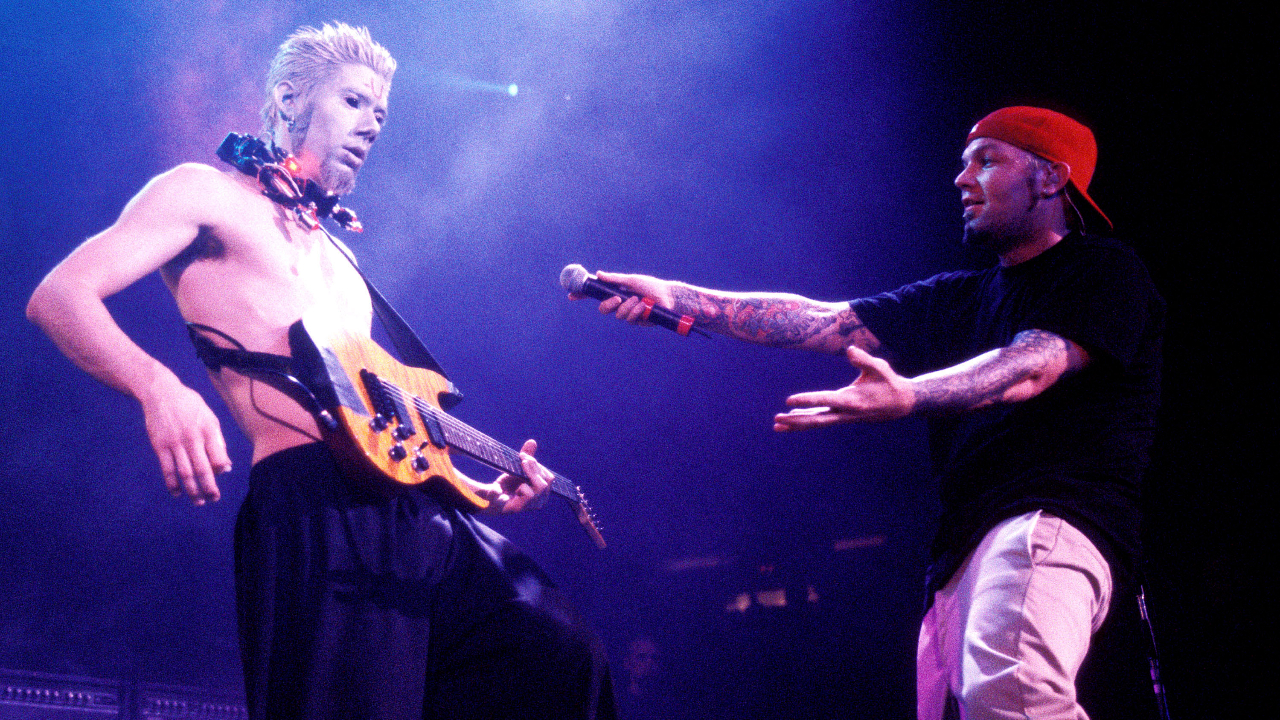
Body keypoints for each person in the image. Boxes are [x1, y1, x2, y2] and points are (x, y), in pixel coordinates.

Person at [27, 22, 615, 720]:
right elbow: (59, 295)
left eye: (382, 115)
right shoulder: (203, 193)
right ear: (287, 97)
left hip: (416, 515)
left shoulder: (345, 262)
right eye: (355, 102)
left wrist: (481, 488)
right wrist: (160, 388)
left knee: (555, 654)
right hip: (314, 506)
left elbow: (390, 427)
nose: (372, 125)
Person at [578, 106, 1163, 719]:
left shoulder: (1102, 269)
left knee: (1012, 695)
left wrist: (910, 394)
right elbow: (822, 320)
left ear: (1050, 179)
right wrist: (678, 296)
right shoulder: (957, 297)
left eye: (987, 162)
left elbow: (1031, 364)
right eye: (963, 165)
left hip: (1050, 517)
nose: (962, 180)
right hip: (963, 546)